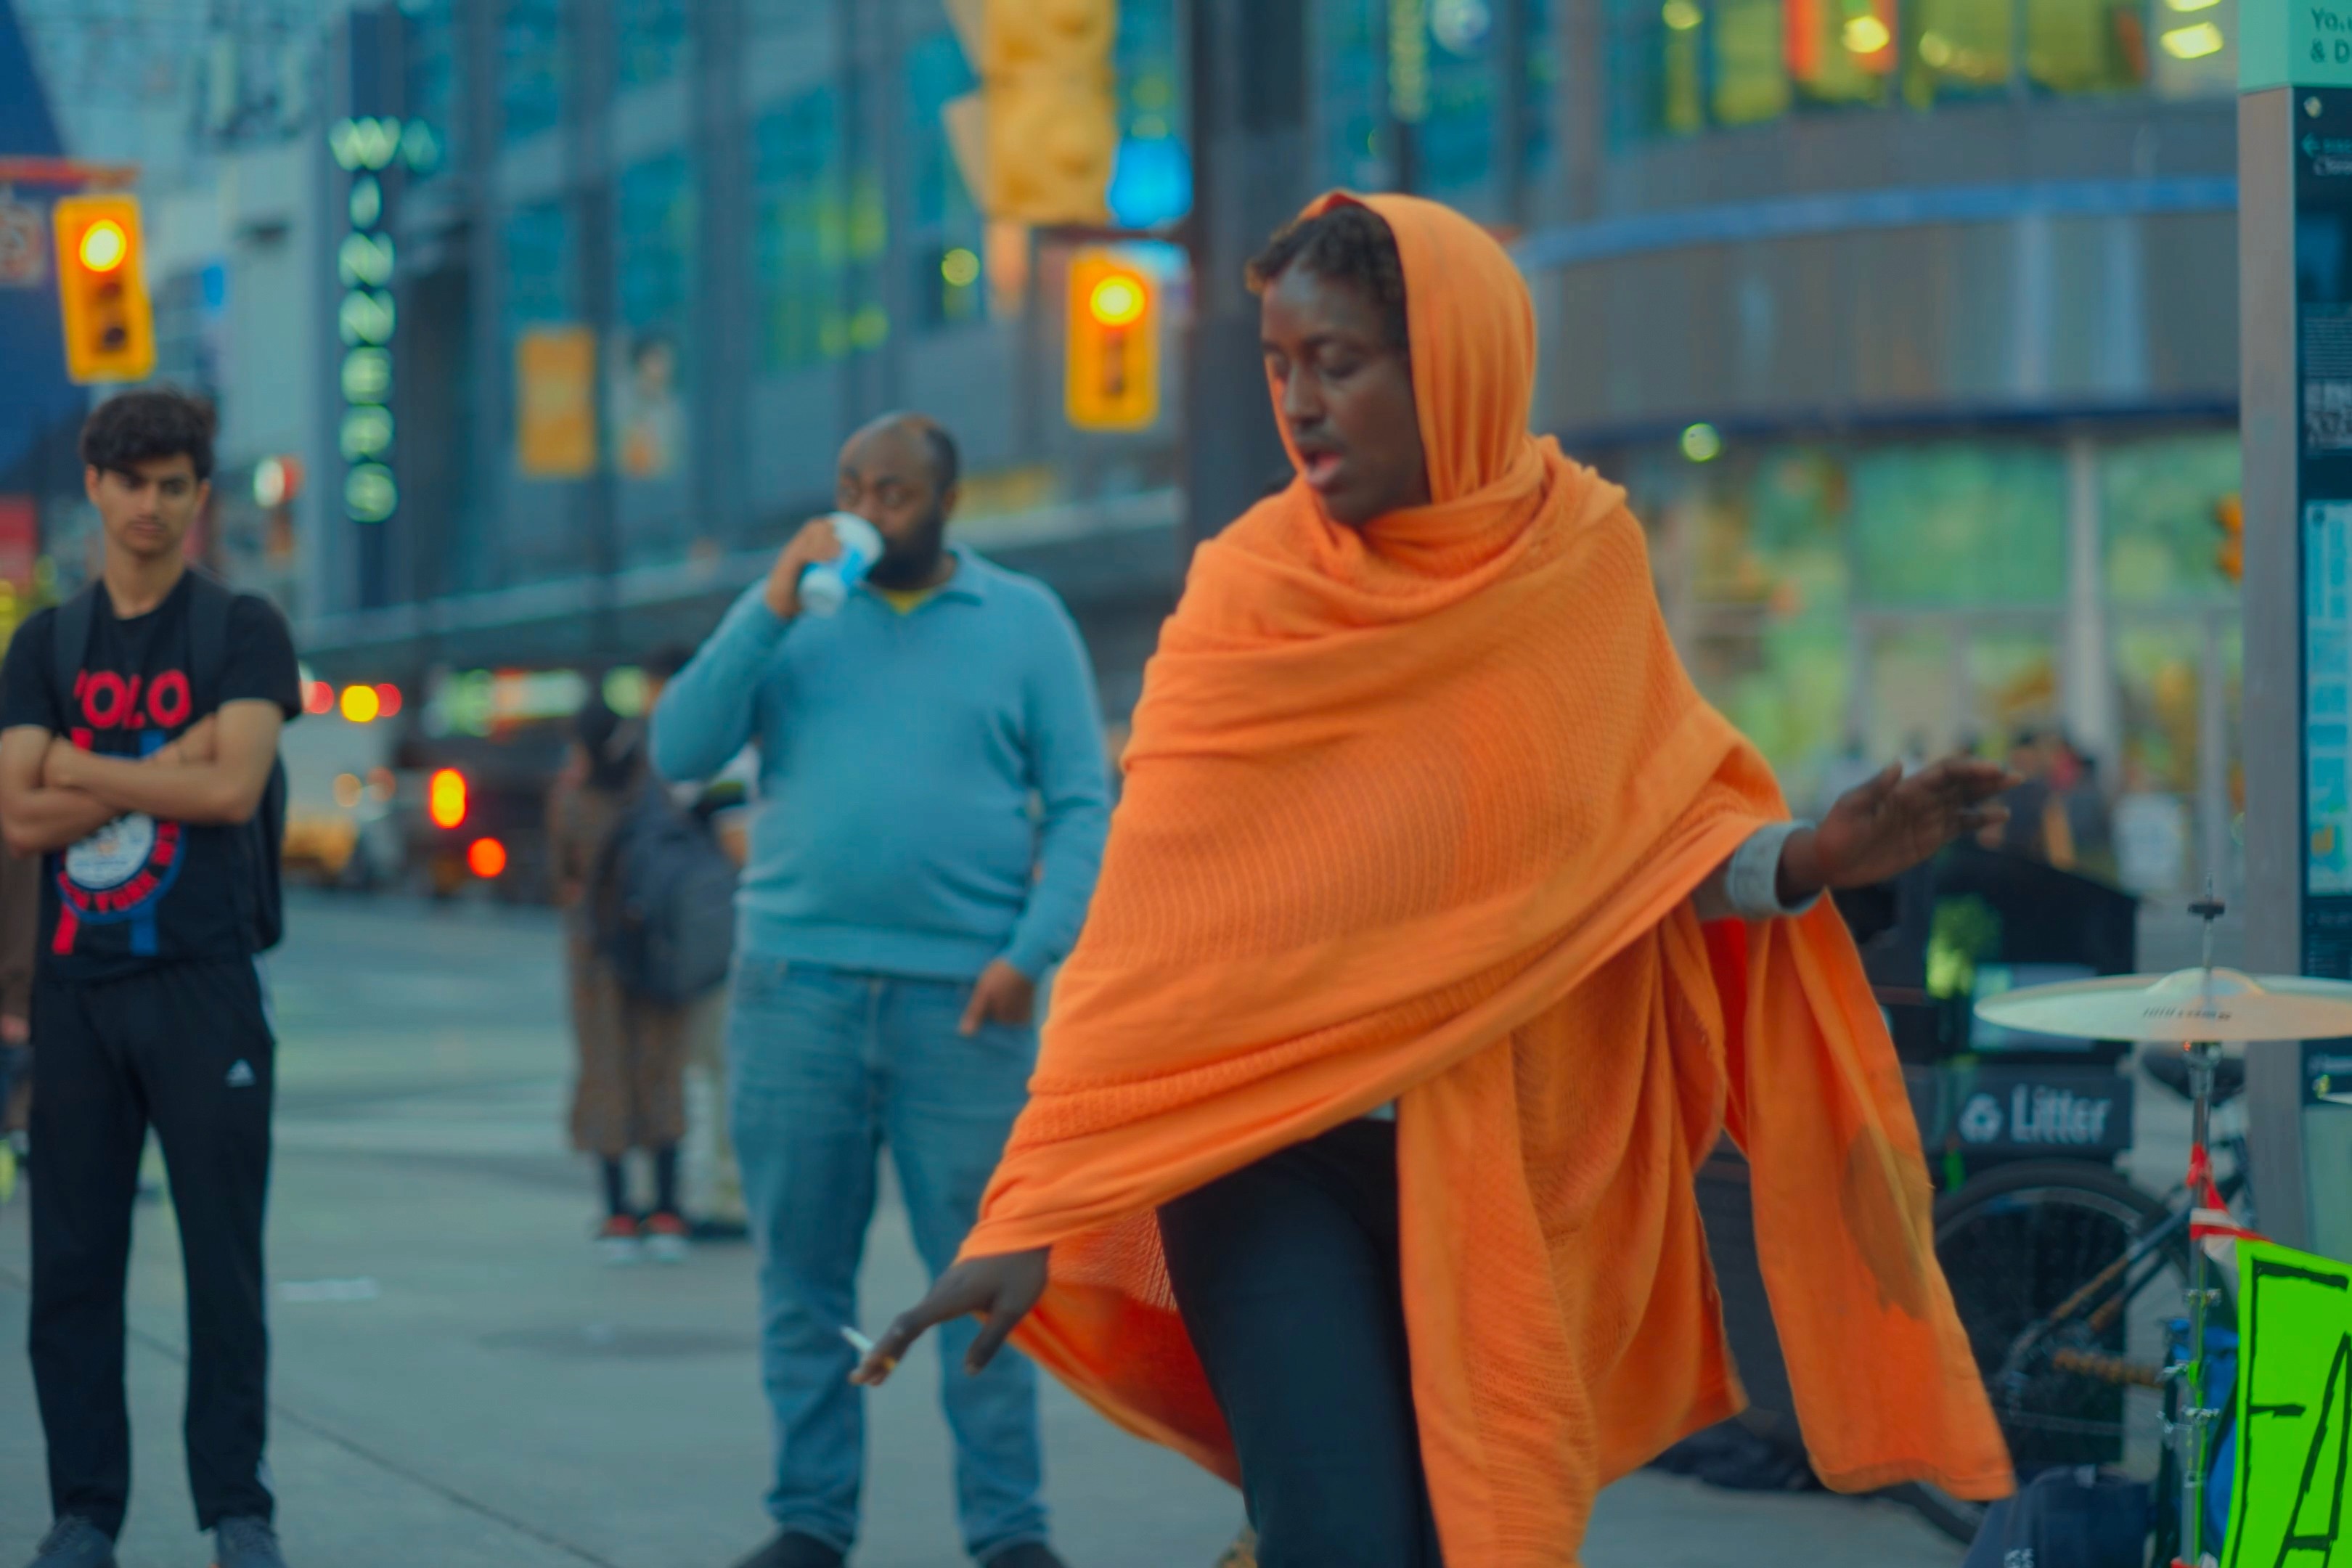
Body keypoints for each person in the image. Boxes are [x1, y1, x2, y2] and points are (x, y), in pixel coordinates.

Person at [851, 197, 2017, 1567]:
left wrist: (1821, 857)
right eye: (1279, 367)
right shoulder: (1248, 591)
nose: (1300, 403)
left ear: (1452, 361)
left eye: (1337, 363)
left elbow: (1641, 841)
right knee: (1345, 1534)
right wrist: (1033, 1199)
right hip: (1262, 1153)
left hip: (1500, 1159)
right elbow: (1147, 938)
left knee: (1458, 1536)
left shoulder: (1580, 561)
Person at [651, 412, 1111, 1568]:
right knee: (802, 1280)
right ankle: (811, 1523)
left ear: (945, 502)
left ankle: (1009, 1533)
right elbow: (678, 749)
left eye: (894, 491)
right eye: (852, 484)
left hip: (965, 1004)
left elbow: (1083, 803)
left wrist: (1029, 955)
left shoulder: (1024, 622)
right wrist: (767, 601)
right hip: (794, 990)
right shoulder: (794, 616)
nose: (868, 506)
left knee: (984, 1281)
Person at [0, 389, 301, 1568]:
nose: (153, 506)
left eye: (176, 484)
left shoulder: (241, 630)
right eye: (133, 483)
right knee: (71, 1263)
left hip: (205, 982)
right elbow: (17, 817)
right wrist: (155, 761)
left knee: (224, 1265)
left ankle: (238, 1508)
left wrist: (84, 764)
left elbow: (233, 793)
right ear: (97, 489)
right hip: (78, 995)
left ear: (199, 494)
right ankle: (86, 1512)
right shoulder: (45, 645)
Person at [550, 692, 698, 1263]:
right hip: (660, 952)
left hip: (597, 958)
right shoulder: (656, 794)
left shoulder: (572, 802)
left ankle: (617, 1214)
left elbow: (562, 876)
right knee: (662, 1071)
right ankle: (666, 1210)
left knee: (605, 1074)